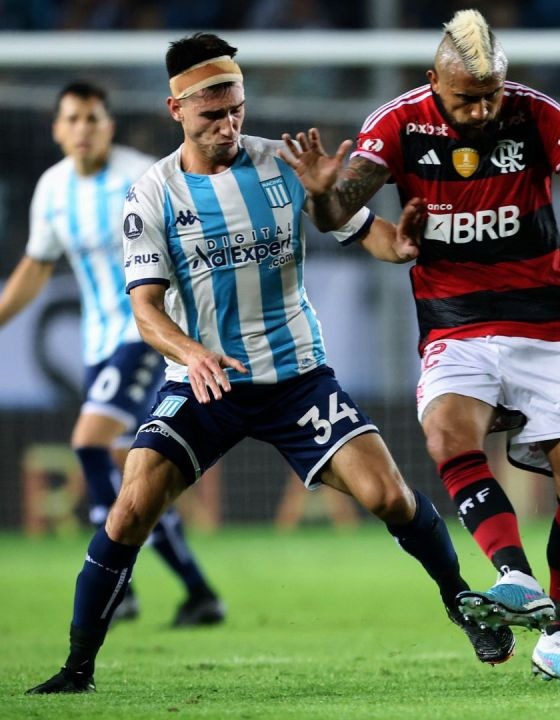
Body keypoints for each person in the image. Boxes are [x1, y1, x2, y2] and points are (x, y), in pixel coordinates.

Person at [26, 32, 513, 696]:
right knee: (130, 506)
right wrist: (193, 353)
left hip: (296, 380)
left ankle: (462, 601)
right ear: (176, 110)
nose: (228, 126)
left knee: (389, 495)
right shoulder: (151, 195)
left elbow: (376, 238)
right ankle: (77, 667)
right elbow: (145, 311)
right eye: (210, 116)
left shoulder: (285, 165)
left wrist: (381, 230)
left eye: (236, 110)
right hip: (204, 381)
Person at [285, 9, 560, 687]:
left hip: (545, 318)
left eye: (490, 95)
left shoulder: (536, 113)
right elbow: (338, 216)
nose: (480, 110)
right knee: (447, 432)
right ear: (432, 82)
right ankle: (512, 574)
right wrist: (324, 194)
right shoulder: (397, 122)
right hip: (454, 319)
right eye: (464, 98)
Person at [0, 81, 223, 627]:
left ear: (109, 125)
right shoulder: (52, 189)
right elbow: (36, 266)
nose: (83, 128)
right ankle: (199, 593)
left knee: (88, 442)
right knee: (137, 476)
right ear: (57, 128)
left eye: (93, 118)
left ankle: (115, 581)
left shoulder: (140, 177)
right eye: (72, 118)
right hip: (98, 344)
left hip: (146, 331)